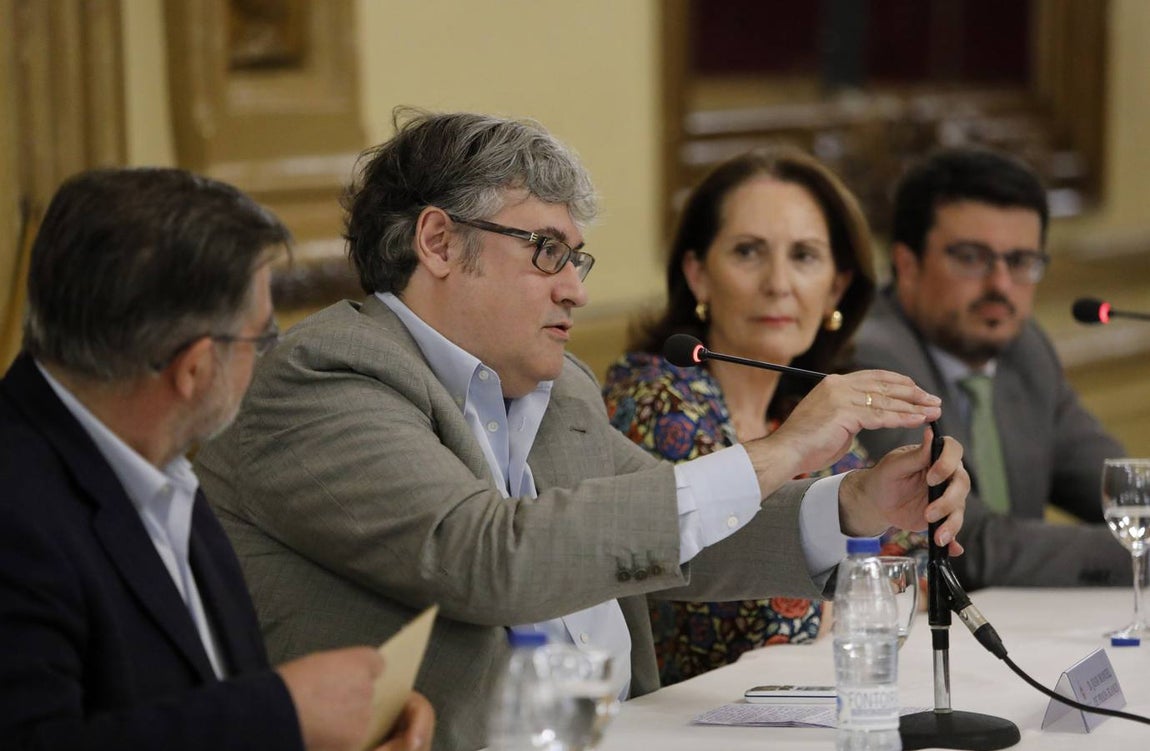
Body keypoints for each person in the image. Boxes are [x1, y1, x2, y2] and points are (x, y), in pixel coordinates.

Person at [194, 110, 968, 751]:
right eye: (546, 252)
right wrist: (779, 450)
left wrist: (855, 502)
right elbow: (487, 555)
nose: (575, 287)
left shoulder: (555, 387)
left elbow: (671, 534)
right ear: (437, 242)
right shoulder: (328, 376)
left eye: (577, 257)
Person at [0, 168, 434, 751]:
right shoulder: (17, 512)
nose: (265, 356)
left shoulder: (158, 457)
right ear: (196, 369)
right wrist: (283, 714)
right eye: (261, 339)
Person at [604, 147, 925, 686]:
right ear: (698, 274)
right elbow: (760, 617)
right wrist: (861, 600)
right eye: (749, 252)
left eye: (803, 256)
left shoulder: (802, 406)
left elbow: (910, 566)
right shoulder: (654, 396)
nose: (778, 282)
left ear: (836, 289)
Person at [853, 147, 1130, 589]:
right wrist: (1142, 556)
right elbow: (967, 543)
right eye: (970, 258)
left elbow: (1118, 488)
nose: (1001, 285)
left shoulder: (1025, 349)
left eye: (1021, 262)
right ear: (907, 265)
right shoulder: (871, 360)